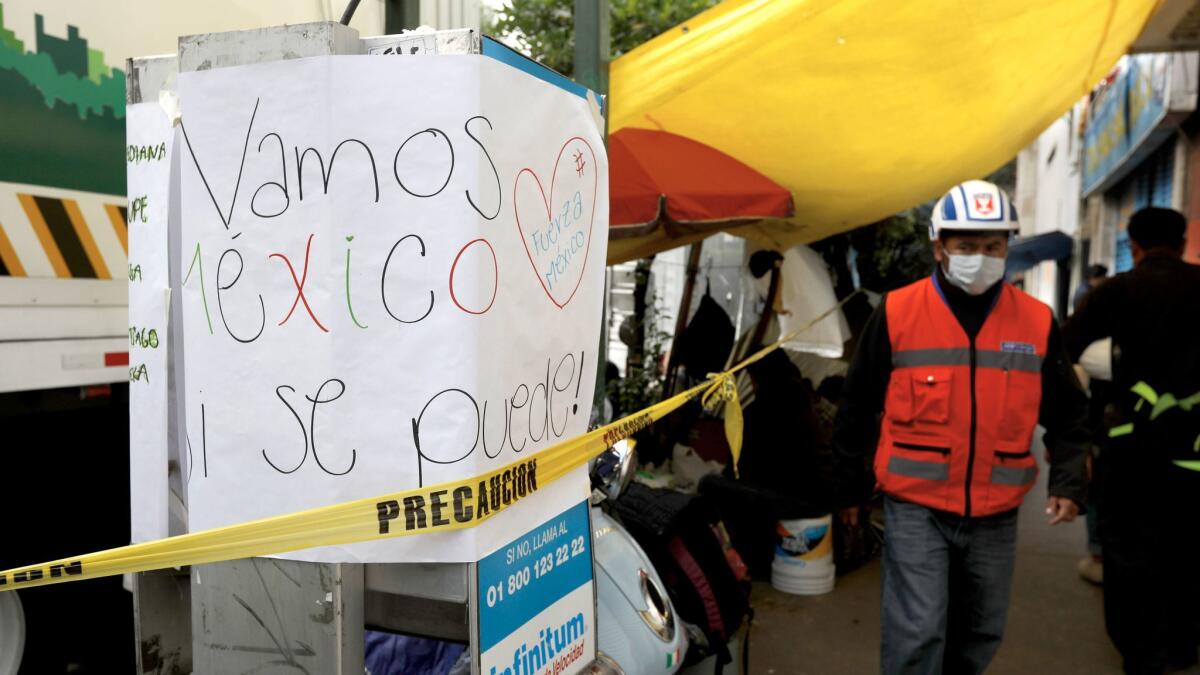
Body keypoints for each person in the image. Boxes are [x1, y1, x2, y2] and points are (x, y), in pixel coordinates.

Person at [833, 179, 1089, 675]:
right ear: (939, 246)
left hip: (996, 512)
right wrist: (847, 488)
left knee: (980, 631)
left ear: (1007, 248)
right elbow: (858, 402)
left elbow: (1068, 412)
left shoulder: (1036, 321)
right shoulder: (898, 310)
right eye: (967, 245)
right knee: (918, 630)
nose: (981, 257)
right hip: (915, 507)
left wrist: (1069, 481)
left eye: (993, 246)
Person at [1063, 207, 1200, 675]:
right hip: (1193, 453)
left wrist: (1076, 431)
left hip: (1129, 449)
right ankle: (1183, 645)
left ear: (1133, 246)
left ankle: (1140, 653)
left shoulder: (1113, 293)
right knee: (1187, 546)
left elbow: (1066, 353)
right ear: (1182, 242)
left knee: (1126, 550)